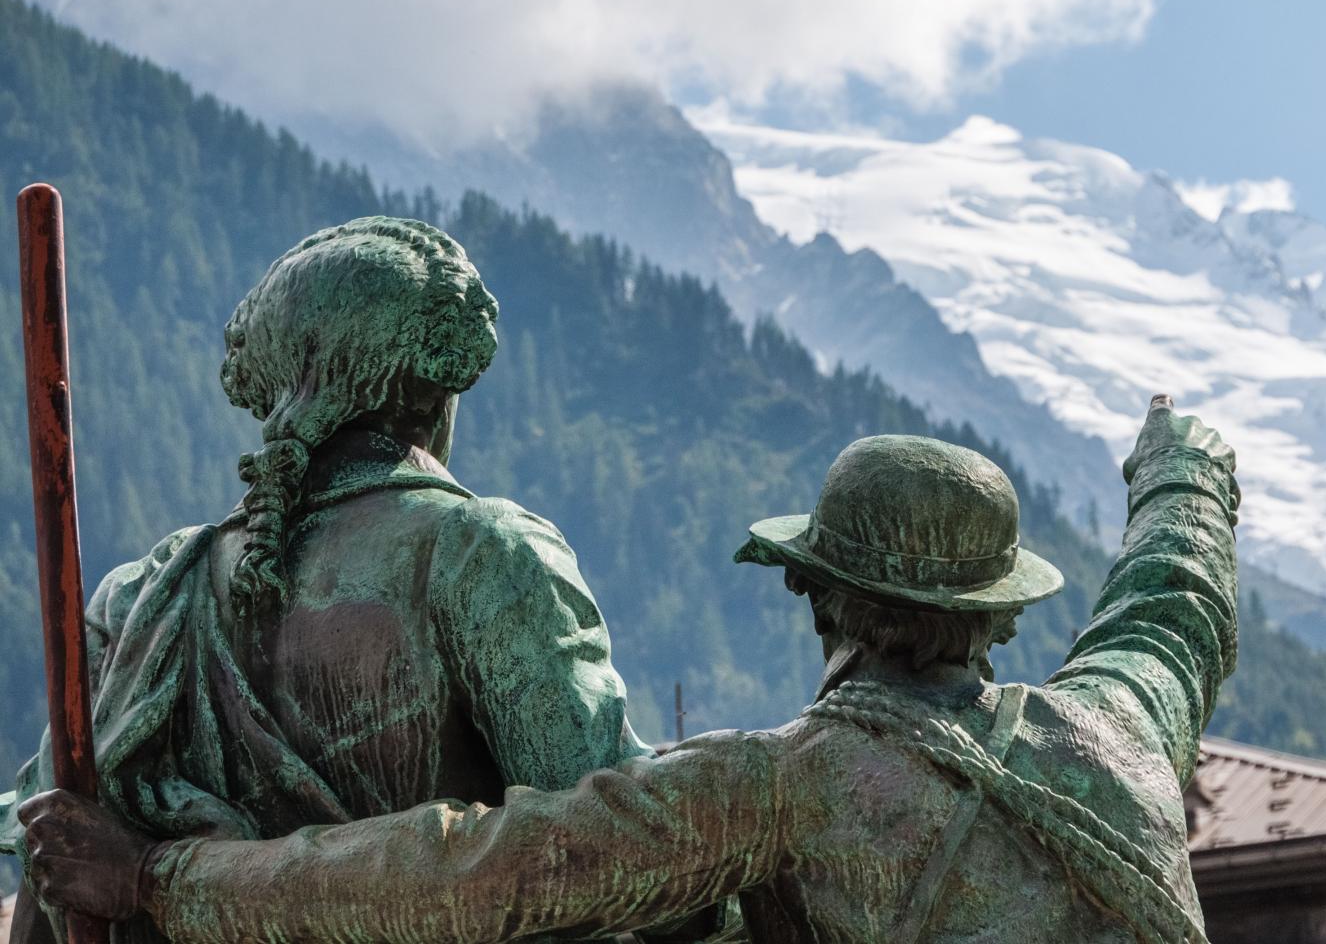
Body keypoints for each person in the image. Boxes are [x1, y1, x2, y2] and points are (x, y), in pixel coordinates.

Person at [21, 397, 1239, 943]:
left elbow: (458, 875)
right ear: (997, 614)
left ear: (817, 597)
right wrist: (1186, 469)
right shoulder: (1124, 727)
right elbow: (1174, 599)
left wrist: (162, 883)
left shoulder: (775, 791)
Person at [1, 218, 674, 943]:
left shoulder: (144, 595)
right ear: (431, 391)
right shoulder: (482, 553)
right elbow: (617, 844)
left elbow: (49, 836)